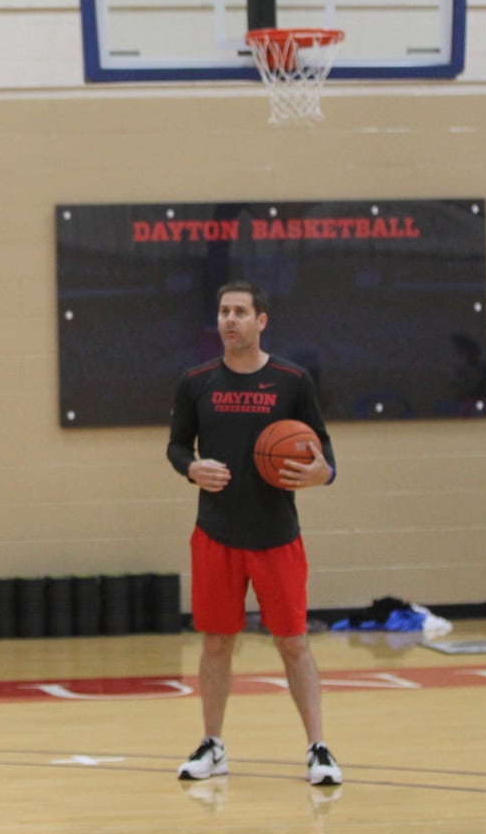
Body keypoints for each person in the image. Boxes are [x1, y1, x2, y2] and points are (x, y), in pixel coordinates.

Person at [166, 280, 343, 787]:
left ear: (261, 321)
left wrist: (320, 473)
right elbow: (177, 447)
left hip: (277, 535)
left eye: (241, 311)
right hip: (216, 534)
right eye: (224, 311)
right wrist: (191, 468)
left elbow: (324, 455)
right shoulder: (196, 381)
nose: (230, 319)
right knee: (216, 644)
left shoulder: (292, 381)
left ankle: (318, 748)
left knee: (293, 644)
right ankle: (213, 745)